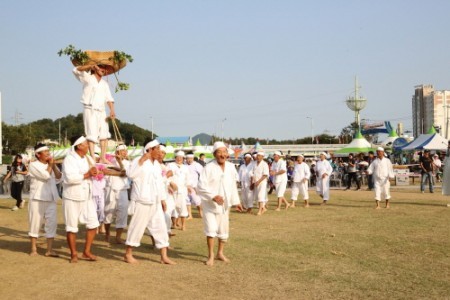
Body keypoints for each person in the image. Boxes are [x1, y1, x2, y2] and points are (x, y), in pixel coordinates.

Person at [124, 140, 175, 264]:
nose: (159, 151)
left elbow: (159, 183)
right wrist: (142, 160)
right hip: (142, 201)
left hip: (155, 201)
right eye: (157, 148)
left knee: (161, 227)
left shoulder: (157, 165)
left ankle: (164, 256)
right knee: (137, 227)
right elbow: (130, 174)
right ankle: (128, 254)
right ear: (150, 150)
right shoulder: (138, 160)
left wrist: (162, 199)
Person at [197, 141, 242, 266]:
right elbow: (200, 186)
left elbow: (233, 185)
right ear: (214, 154)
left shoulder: (231, 167)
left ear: (227, 154)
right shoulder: (208, 168)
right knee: (211, 230)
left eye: (224, 152)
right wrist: (213, 196)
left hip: (224, 206)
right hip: (210, 206)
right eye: (219, 152)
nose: (222, 155)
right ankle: (211, 255)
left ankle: (220, 253)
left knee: (223, 230)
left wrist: (237, 201)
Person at [62, 135, 99, 263]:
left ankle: (86, 251)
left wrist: (94, 172)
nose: (88, 145)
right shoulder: (69, 159)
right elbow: (69, 178)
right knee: (72, 227)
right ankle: (73, 254)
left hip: (87, 196)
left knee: (94, 224)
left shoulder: (88, 158)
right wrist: (88, 174)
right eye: (85, 144)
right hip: (72, 196)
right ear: (78, 146)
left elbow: (94, 170)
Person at [73, 64, 116, 164]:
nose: (103, 71)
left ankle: (103, 157)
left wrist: (112, 110)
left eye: (105, 69)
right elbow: (75, 70)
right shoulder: (88, 78)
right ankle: (92, 156)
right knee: (91, 133)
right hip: (90, 108)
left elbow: (109, 98)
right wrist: (91, 66)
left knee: (104, 133)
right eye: (101, 68)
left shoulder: (104, 84)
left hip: (102, 110)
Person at [28, 144, 62, 257]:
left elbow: (59, 177)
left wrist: (54, 165)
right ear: (38, 154)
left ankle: (49, 250)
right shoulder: (33, 165)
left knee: (51, 223)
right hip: (37, 198)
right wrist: (51, 164)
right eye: (45, 151)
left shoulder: (50, 164)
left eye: (48, 151)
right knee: (35, 222)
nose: (48, 153)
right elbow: (45, 176)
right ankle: (33, 248)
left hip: (51, 198)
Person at [104, 144, 130, 244]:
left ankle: (118, 237)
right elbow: (105, 170)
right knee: (108, 212)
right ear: (117, 152)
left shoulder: (128, 163)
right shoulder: (109, 161)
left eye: (125, 150)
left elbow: (125, 172)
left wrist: (113, 171)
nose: (124, 152)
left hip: (122, 190)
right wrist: (117, 172)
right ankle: (107, 233)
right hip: (111, 189)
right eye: (122, 150)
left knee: (122, 213)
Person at [167, 151, 192, 231]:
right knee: (172, 207)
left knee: (182, 207)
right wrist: (170, 183)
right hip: (171, 190)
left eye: (181, 158)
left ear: (183, 159)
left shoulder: (185, 168)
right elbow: (165, 176)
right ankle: (173, 224)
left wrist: (188, 187)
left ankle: (183, 225)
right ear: (175, 158)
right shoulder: (170, 165)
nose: (179, 159)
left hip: (182, 190)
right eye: (178, 157)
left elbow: (188, 179)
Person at [186, 153, 203, 219]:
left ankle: (201, 213)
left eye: (190, 159)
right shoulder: (184, 165)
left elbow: (202, 174)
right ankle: (190, 215)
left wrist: (199, 185)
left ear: (193, 159)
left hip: (194, 186)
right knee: (187, 201)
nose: (189, 160)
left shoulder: (197, 165)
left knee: (197, 201)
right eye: (188, 159)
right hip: (186, 186)